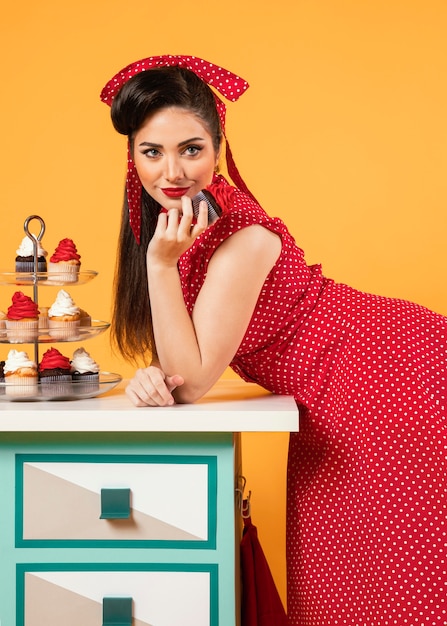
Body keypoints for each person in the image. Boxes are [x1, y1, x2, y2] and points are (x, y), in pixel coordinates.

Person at [101, 55, 446, 625]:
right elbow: (181, 363)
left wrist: (160, 269)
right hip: (333, 392)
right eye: (152, 151)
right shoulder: (181, 223)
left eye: (192, 149)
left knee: (402, 580)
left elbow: (191, 382)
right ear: (131, 155)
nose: (173, 171)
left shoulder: (246, 236)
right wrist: (153, 373)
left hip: (386, 375)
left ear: (217, 147)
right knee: (339, 583)